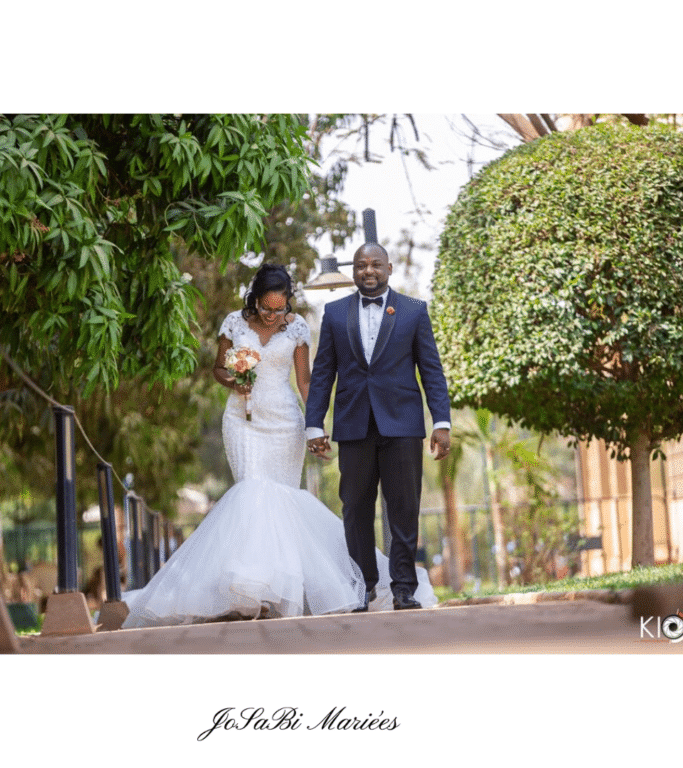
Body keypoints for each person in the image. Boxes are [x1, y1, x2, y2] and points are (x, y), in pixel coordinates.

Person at [122, 264, 436, 628]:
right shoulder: (234, 324)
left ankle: (287, 589)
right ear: (254, 300)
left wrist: (314, 426)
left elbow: (306, 382)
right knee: (252, 493)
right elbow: (217, 368)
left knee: (283, 502)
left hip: (285, 421)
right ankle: (251, 591)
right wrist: (233, 380)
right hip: (243, 420)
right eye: (266, 309)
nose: (272, 316)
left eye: (280, 309)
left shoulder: (297, 327)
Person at [305, 242, 451, 612]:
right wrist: (313, 425)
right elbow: (322, 374)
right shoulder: (335, 313)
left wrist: (442, 421)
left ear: (388, 268)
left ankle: (404, 588)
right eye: (360, 265)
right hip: (353, 424)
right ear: (352, 271)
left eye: (374, 265)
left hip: (401, 423)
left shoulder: (414, 311)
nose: (367, 271)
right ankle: (362, 585)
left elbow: (431, 370)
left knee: (403, 506)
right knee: (355, 507)